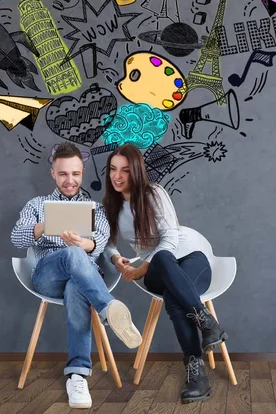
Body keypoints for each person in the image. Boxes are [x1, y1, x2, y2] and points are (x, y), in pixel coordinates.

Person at [11, 142, 142, 410]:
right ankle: (108, 308)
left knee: (76, 284)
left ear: (82, 172)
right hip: (47, 277)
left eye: (75, 174)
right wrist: (49, 225)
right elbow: (16, 238)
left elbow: (102, 242)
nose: (70, 181)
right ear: (53, 174)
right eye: (63, 174)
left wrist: (85, 245)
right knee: (70, 255)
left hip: (82, 281)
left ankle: (77, 374)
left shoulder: (96, 208)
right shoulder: (37, 205)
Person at [102, 143, 228, 404]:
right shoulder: (111, 205)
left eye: (125, 170)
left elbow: (170, 238)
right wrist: (116, 258)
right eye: (113, 169)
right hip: (158, 270)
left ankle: (197, 374)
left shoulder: (153, 193)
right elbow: (106, 241)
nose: (117, 176)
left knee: (173, 296)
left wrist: (141, 270)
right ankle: (208, 324)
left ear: (136, 171)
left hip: (191, 259)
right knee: (162, 265)